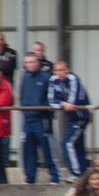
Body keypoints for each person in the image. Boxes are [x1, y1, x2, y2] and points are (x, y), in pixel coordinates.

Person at [18, 54, 61, 184]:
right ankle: (30, 178)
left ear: (38, 63)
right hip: (27, 119)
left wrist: (46, 108)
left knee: (47, 149)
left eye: (32, 62)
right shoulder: (24, 78)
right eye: (27, 62)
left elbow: (54, 97)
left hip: (42, 119)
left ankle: (55, 177)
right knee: (28, 150)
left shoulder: (46, 78)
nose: (30, 64)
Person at [48, 61, 91, 181]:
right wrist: (62, 103)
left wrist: (65, 104)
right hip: (71, 118)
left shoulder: (73, 79)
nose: (60, 73)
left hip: (81, 116)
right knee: (78, 145)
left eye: (62, 70)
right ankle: (83, 173)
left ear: (67, 70)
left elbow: (73, 102)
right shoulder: (53, 80)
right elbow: (51, 100)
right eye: (57, 70)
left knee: (67, 143)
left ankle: (76, 173)